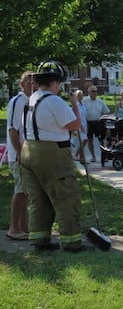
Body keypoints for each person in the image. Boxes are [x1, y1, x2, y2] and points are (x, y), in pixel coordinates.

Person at [20, 60, 92, 252]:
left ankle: (39, 241)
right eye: (59, 83)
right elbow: (75, 125)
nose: (59, 87)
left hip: (28, 151)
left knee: (39, 200)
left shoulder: (31, 99)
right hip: (52, 155)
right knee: (66, 197)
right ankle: (71, 243)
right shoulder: (54, 101)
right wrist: (75, 105)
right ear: (54, 82)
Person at [6, 71, 36, 240]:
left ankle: (23, 226)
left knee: (24, 191)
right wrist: (19, 153)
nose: (33, 84)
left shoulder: (28, 101)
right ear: (22, 83)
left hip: (25, 153)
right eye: (29, 80)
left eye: (34, 81)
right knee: (20, 190)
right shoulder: (18, 101)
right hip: (18, 155)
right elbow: (13, 129)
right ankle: (13, 228)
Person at [83, 85, 110, 162]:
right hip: (89, 123)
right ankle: (93, 156)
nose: (95, 93)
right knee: (90, 140)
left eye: (96, 91)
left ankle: (104, 156)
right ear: (89, 92)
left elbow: (107, 112)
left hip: (98, 122)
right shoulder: (84, 101)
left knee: (101, 140)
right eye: (93, 91)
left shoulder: (100, 101)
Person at [72, 90, 88, 162]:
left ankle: (82, 158)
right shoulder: (76, 105)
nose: (80, 97)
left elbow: (84, 115)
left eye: (81, 95)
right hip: (79, 125)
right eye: (79, 95)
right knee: (84, 140)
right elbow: (75, 116)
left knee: (84, 141)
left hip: (84, 124)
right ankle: (76, 155)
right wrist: (80, 126)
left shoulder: (83, 104)